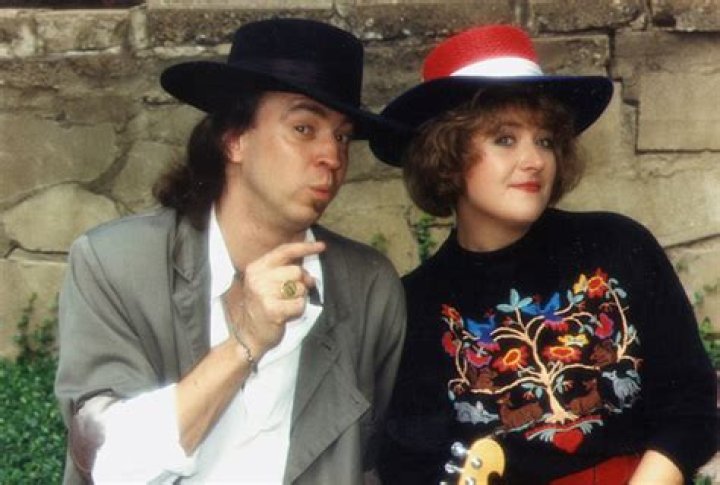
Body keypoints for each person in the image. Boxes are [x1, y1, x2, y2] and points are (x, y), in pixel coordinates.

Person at [54, 18, 406, 484]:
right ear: (234, 139)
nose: (333, 156)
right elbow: (107, 461)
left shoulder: (367, 286)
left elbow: (368, 463)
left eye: (342, 136)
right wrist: (245, 343)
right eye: (304, 128)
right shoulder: (115, 264)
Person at [369, 24, 716, 484]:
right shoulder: (416, 305)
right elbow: (411, 467)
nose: (534, 160)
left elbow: (691, 405)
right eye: (505, 139)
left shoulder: (617, 244)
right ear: (446, 157)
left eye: (545, 140)